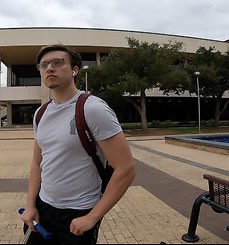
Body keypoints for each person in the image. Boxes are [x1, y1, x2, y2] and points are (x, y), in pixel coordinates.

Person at [20, 44, 135, 244]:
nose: (49, 68)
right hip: (43, 207)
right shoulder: (41, 113)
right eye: (44, 65)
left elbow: (126, 169)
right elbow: (36, 163)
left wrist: (93, 216)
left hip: (79, 212)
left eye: (57, 62)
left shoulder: (92, 108)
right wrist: (31, 204)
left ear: (75, 70)